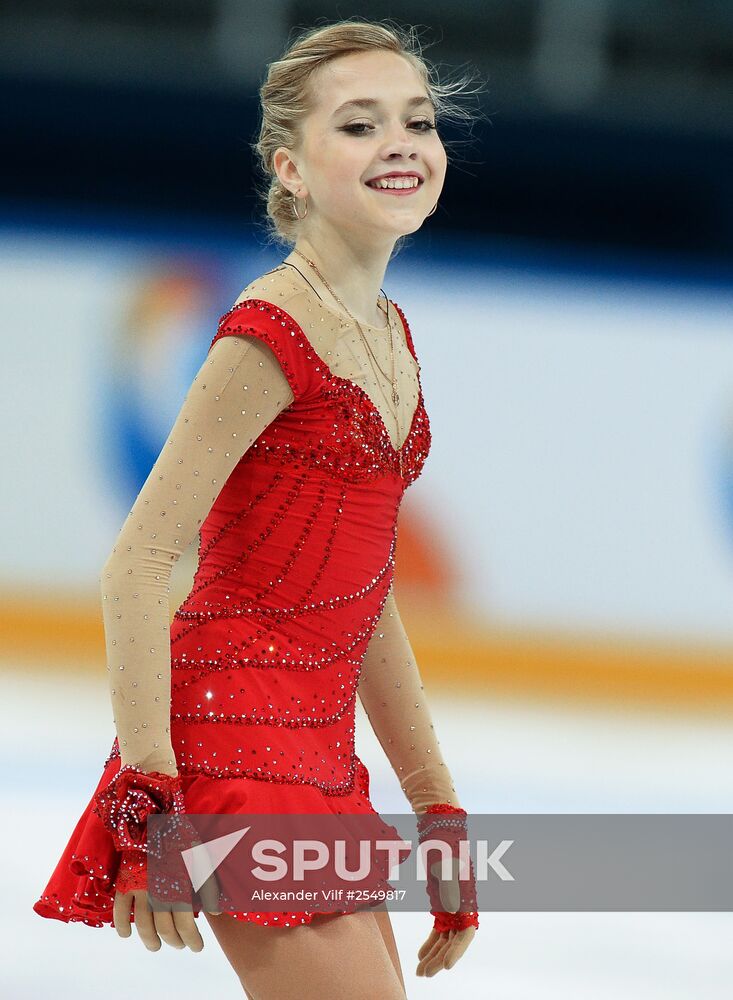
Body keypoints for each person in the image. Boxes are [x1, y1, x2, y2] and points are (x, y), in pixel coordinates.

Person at [33, 19, 484, 999]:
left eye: (417, 120)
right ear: (291, 166)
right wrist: (148, 794)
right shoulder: (267, 331)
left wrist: (434, 800)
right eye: (360, 125)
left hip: (316, 742)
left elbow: (365, 593)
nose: (400, 142)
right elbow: (140, 562)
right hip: (229, 727)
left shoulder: (388, 332)